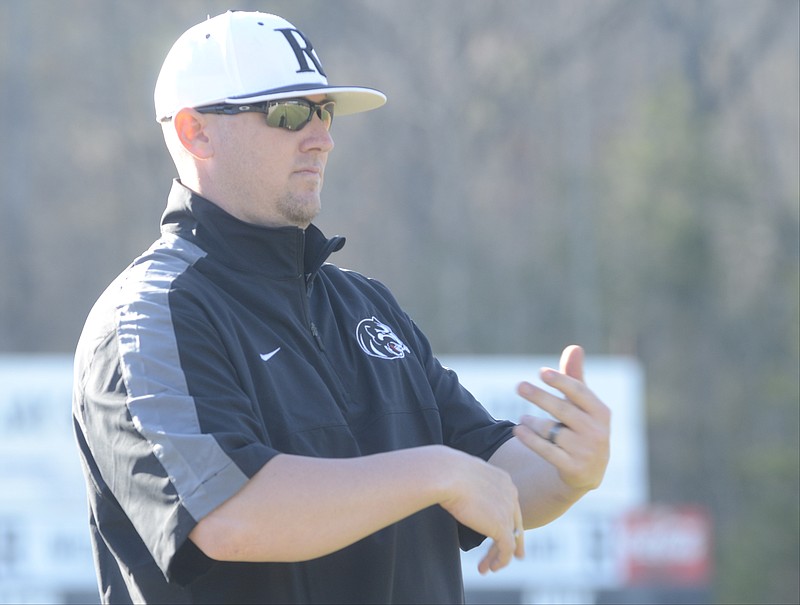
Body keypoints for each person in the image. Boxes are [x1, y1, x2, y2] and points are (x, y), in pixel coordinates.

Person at [72, 10, 610, 604]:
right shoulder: (149, 317)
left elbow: (490, 475)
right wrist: (434, 473)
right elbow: (230, 514)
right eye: (288, 113)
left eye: (324, 111)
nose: (321, 136)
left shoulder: (366, 304)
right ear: (196, 132)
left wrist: (568, 471)